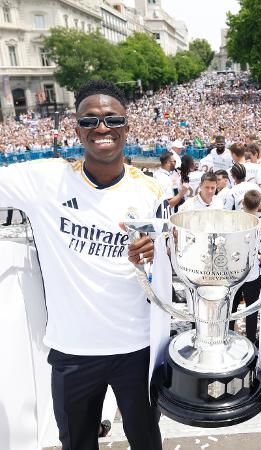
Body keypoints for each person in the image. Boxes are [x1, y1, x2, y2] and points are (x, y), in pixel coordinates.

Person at [0, 80, 164, 450]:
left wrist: (154, 256)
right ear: (76, 130)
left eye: (111, 119)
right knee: (76, 443)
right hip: (73, 351)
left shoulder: (151, 190)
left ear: (127, 126)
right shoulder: (43, 180)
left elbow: (167, 270)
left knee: (146, 439)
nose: (101, 128)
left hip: (136, 349)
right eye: (89, 122)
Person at [228, 189, 261, 344]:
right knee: (252, 310)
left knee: (232, 307)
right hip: (252, 273)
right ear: (259, 206)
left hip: (234, 273)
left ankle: (228, 334)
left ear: (242, 203)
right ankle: (250, 339)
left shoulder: (233, 222)